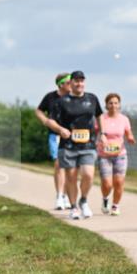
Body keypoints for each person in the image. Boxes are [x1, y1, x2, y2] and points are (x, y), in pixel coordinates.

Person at [46, 71, 103, 220]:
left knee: (88, 175)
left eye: (82, 81)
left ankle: (83, 200)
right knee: (71, 177)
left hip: (88, 145)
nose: (79, 84)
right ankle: (73, 207)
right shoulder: (61, 102)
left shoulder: (92, 99)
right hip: (68, 146)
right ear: (71, 83)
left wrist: (102, 133)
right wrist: (60, 129)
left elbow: (99, 115)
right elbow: (50, 121)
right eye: (76, 81)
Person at [35, 73, 74, 210]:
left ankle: (69, 197)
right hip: (55, 135)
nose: (72, 84)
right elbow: (38, 111)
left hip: (72, 136)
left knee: (70, 167)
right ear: (61, 84)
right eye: (69, 82)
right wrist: (45, 120)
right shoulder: (50, 97)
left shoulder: (74, 97)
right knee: (59, 164)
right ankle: (59, 196)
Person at [97, 93, 136, 216]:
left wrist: (130, 138)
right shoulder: (101, 119)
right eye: (110, 103)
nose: (113, 105)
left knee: (119, 182)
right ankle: (105, 199)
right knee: (107, 183)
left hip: (120, 154)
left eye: (116, 103)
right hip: (104, 155)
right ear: (106, 105)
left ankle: (115, 205)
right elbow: (94, 131)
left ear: (119, 105)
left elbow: (128, 133)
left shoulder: (124, 119)